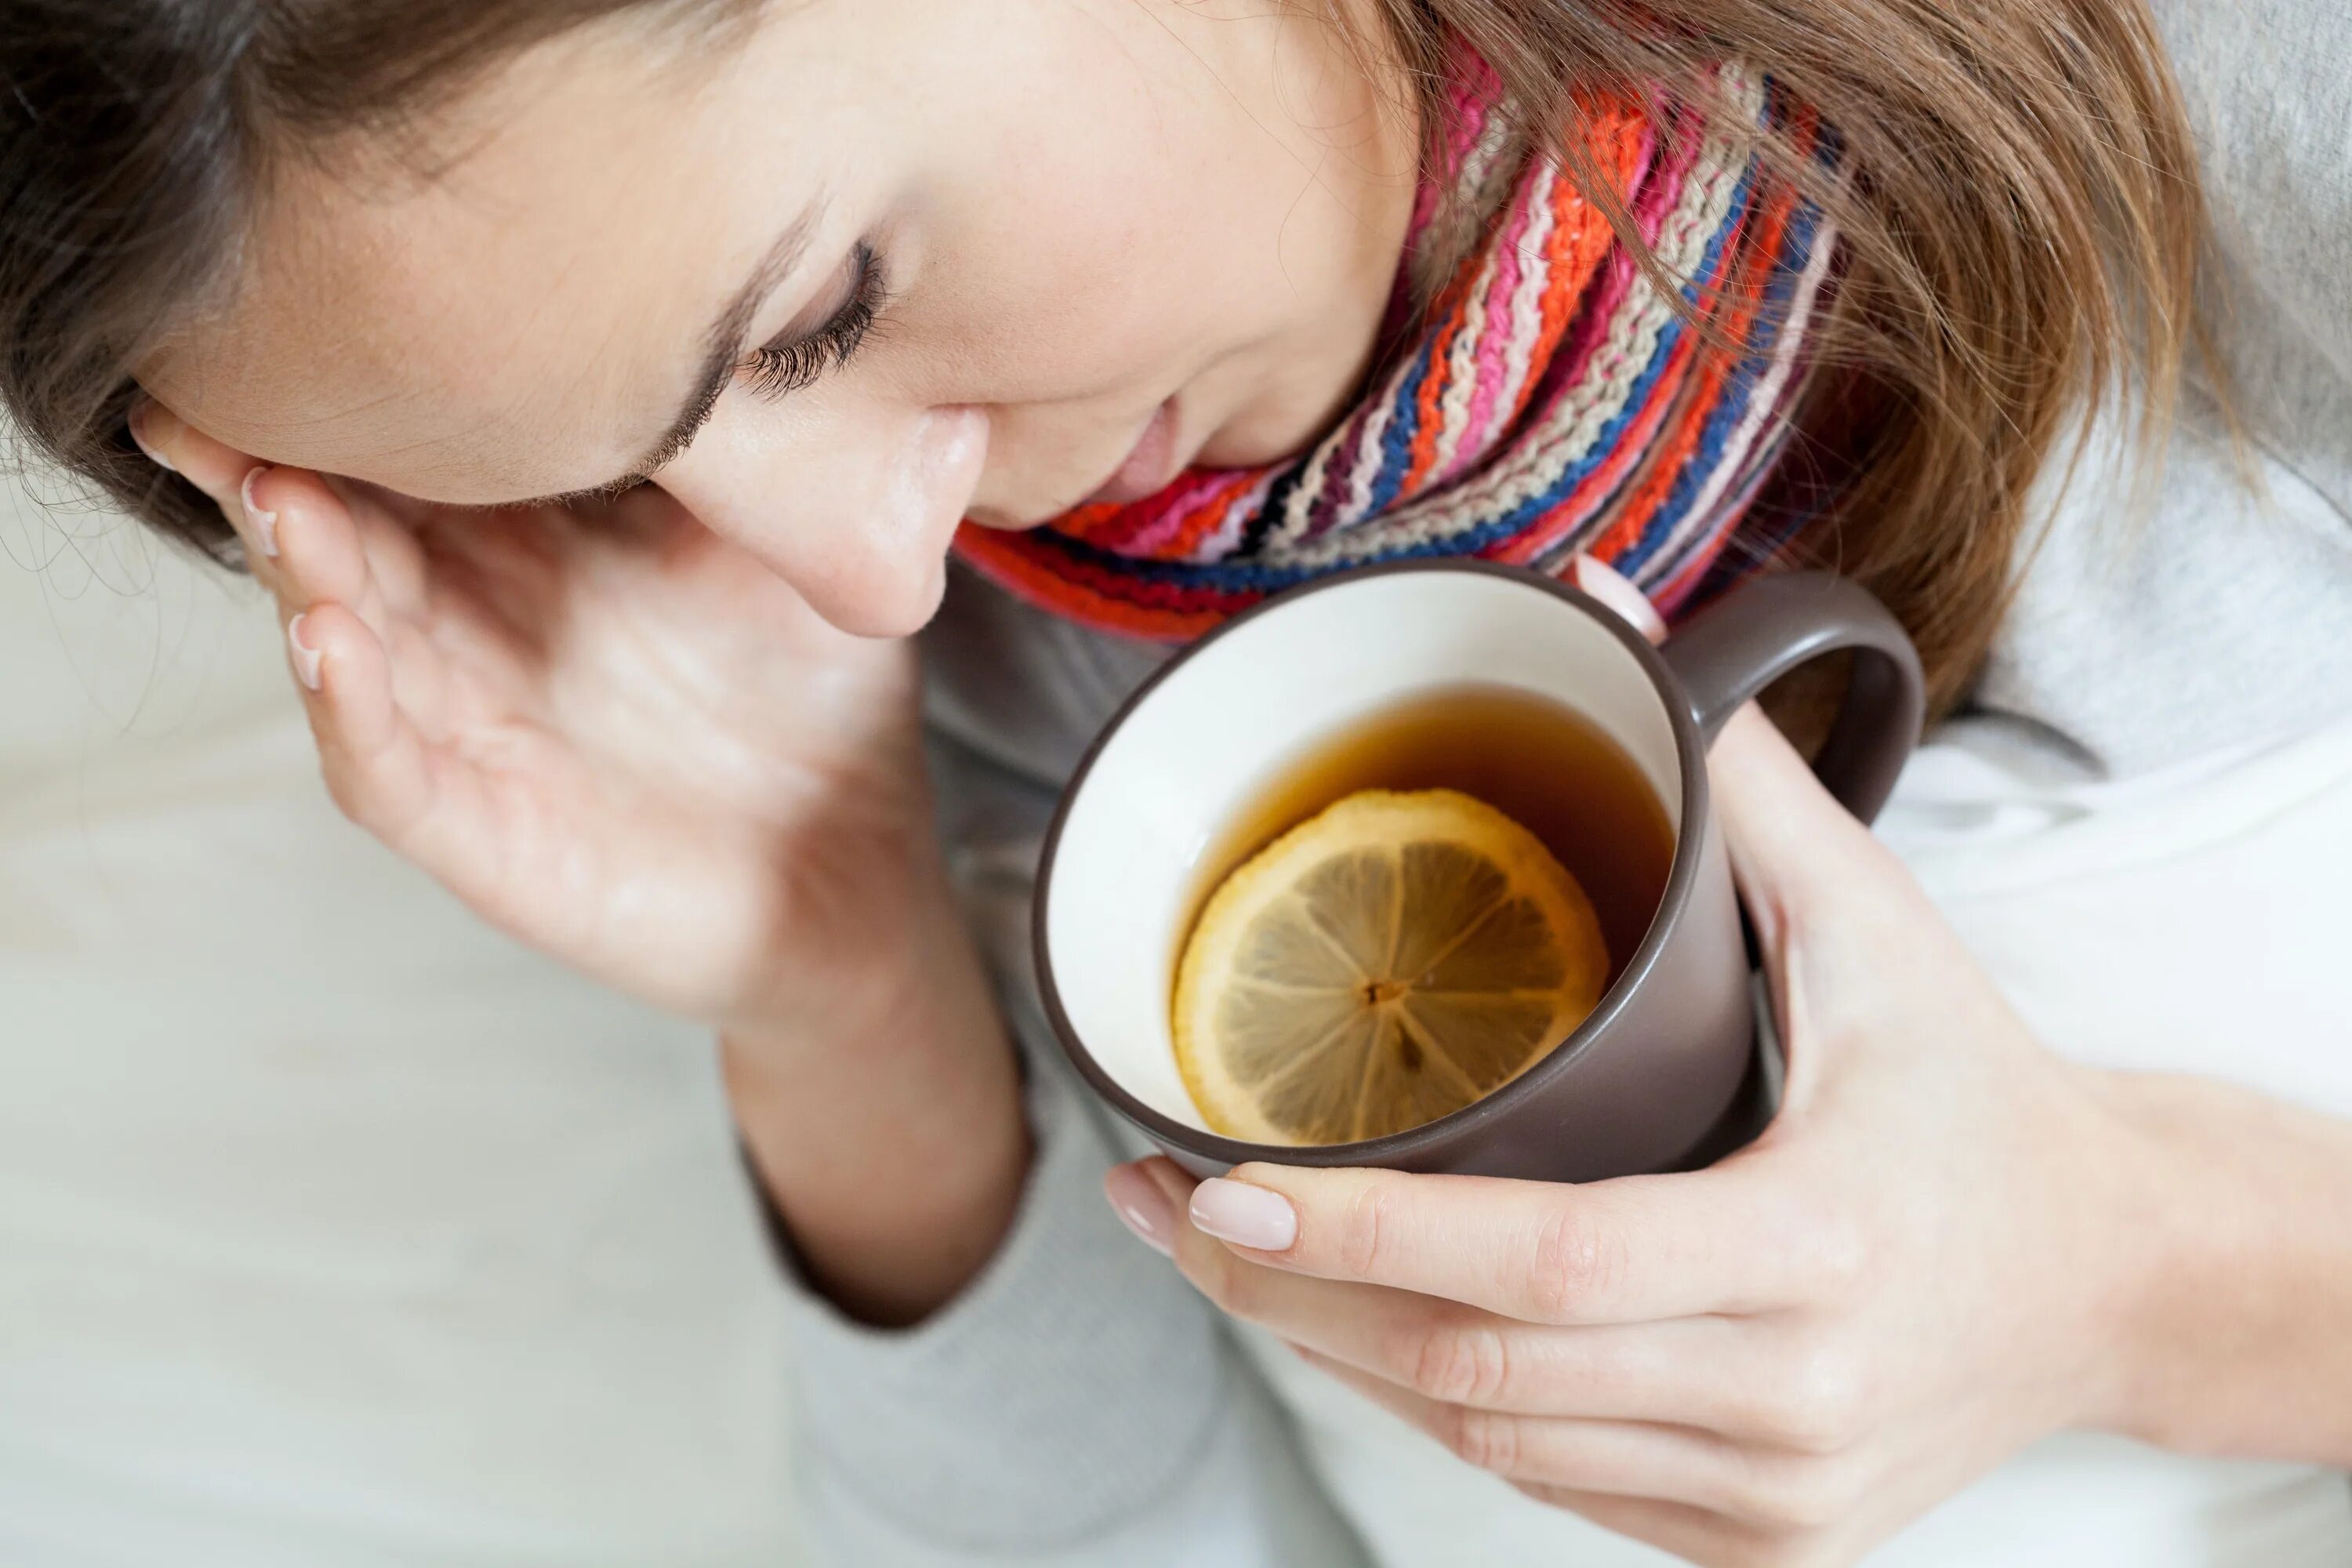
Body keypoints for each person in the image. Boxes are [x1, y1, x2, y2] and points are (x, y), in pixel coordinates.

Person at [4, 2, 2350, 1563]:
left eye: (820, 308)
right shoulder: (905, 707)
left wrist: (2148, 1287)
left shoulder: (2232, 125)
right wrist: (843, 986)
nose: (871, 575)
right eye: (621, 474)